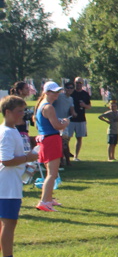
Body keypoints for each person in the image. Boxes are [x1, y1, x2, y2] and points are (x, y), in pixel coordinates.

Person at [1, 95, 40, 257]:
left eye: (23, 111)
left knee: (5, 224)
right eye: (19, 111)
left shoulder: (10, 130)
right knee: (8, 224)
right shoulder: (8, 133)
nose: (22, 114)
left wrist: (26, 164)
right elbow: (6, 160)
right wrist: (28, 158)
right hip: (7, 186)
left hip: (9, 183)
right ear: (7, 112)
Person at [35, 82, 71, 212]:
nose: (56, 94)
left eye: (57, 92)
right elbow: (57, 126)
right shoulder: (48, 107)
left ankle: (48, 199)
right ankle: (44, 201)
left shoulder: (42, 105)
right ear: (47, 92)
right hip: (51, 140)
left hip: (47, 139)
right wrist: (65, 122)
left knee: (51, 173)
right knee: (52, 173)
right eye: (54, 92)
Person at [68, 77, 92, 161]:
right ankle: (65, 155)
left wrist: (84, 105)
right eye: (77, 83)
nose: (78, 84)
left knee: (79, 138)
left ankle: (76, 156)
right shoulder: (71, 93)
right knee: (67, 138)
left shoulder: (85, 94)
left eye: (80, 83)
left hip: (81, 119)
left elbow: (89, 106)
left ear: (82, 84)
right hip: (70, 119)